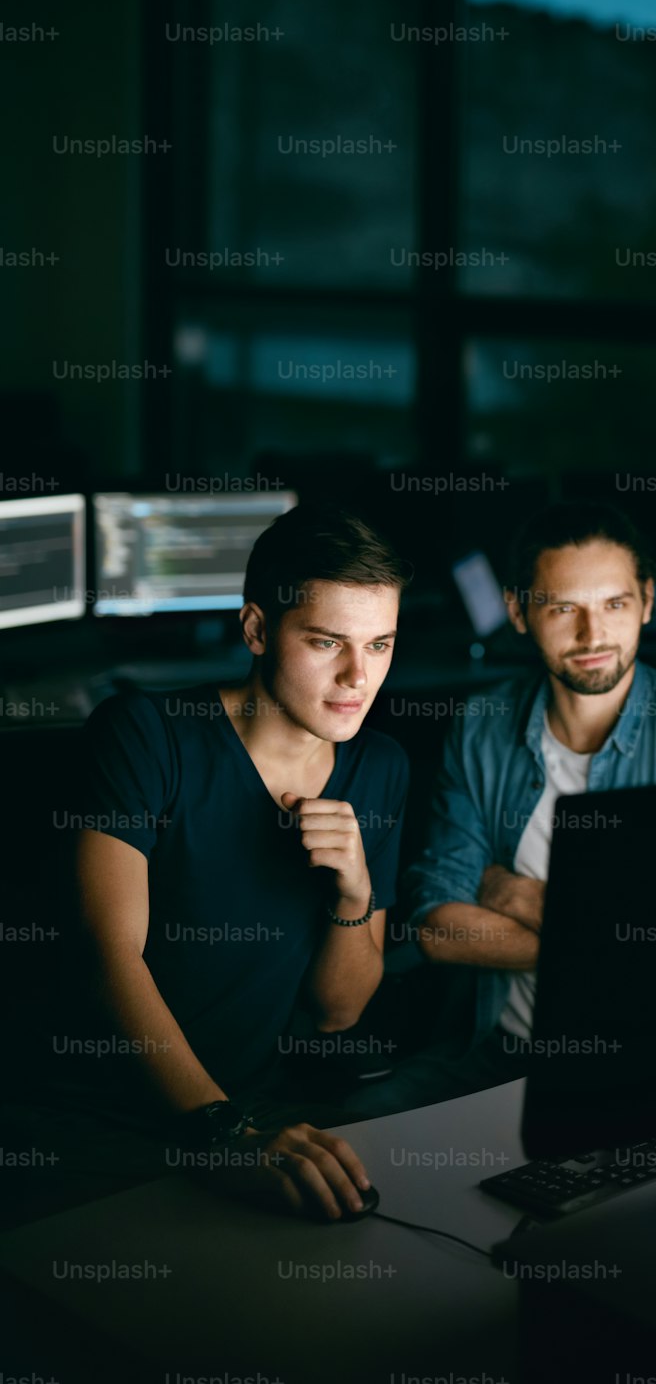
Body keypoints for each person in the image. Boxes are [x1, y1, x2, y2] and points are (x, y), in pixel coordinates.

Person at [338, 501, 656, 1118]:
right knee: (353, 1129)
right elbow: (437, 928)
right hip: (497, 1055)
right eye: (564, 608)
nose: (593, 636)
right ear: (518, 611)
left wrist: (512, 895)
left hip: (651, 1063)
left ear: (647, 601)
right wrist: (617, 934)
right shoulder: (483, 725)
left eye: (614, 604)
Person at [66, 503, 410, 1221]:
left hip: (253, 1115)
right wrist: (219, 1131)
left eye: (379, 645)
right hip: (90, 1114)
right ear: (257, 629)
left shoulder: (379, 766)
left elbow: (336, 1014)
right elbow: (106, 958)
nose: (357, 676)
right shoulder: (145, 736)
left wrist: (353, 897)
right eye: (327, 642)